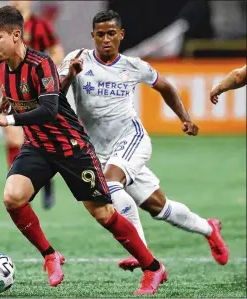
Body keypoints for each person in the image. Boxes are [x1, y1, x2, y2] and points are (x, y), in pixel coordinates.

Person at [0, 6, 167, 295]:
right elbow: (16, 90)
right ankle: (50, 256)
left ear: (16, 35)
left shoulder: (42, 64)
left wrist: (10, 119)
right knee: (12, 198)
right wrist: (7, 100)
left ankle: (153, 268)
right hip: (38, 147)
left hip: (71, 147)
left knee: (104, 214)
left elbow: (49, 109)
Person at [58, 10, 229, 272]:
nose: (106, 39)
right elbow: (55, 94)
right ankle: (209, 228)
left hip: (131, 139)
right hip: (100, 149)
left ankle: (142, 254)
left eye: (111, 34)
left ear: (121, 35)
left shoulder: (133, 65)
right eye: (100, 34)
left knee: (111, 183)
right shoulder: (77, 59)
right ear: (92, 36)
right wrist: (70, 75)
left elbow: (165, 86)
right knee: (159, 207)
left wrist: (185, 117)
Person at [0, 1, 64, 210]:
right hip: (12, 87)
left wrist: (46, 71)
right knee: (12, 135)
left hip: (38, 93)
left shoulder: (40, 25)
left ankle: (46, 181)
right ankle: (15, 180)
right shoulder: (4, 24)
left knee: (40, 140)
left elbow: (57, 51)